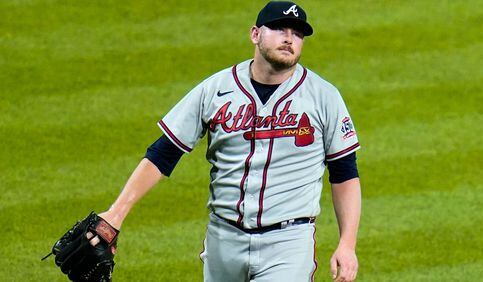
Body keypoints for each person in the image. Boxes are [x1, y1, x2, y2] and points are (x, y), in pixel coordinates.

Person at [97, 1, 361, 281]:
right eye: (279, 28)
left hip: (288, 243)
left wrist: (347, 243)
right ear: (255, 34)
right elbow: (163, 154)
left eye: (297, 34)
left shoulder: (323, 97)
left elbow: (344, 173)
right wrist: (116, 213)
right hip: (223, 238)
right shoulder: (216, 89)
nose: (289, 38)